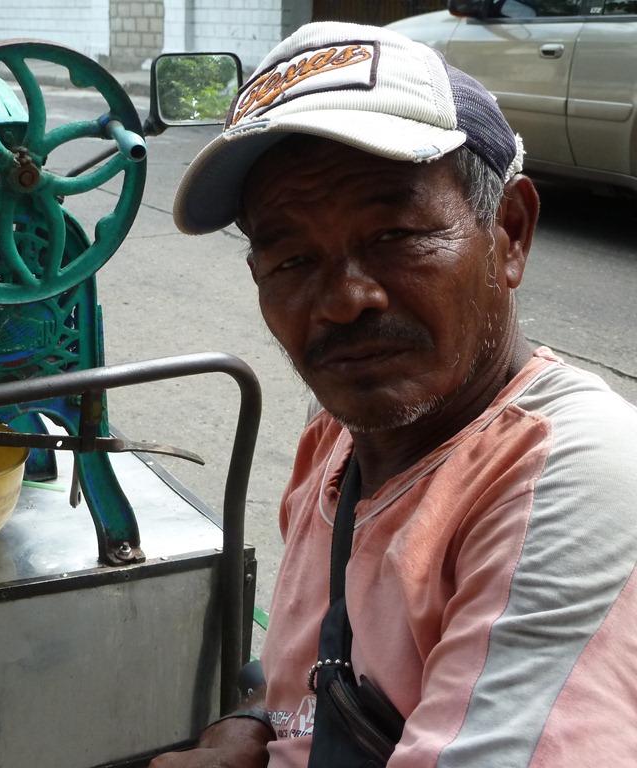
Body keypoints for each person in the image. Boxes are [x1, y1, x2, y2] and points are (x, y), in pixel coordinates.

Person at [155, 20, 637, 768]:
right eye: (290, 259)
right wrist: (250, 725)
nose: (345, 299)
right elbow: (317, 675)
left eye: (397, 234)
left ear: (509, 232)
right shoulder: (338, 442)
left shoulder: (575, 479)